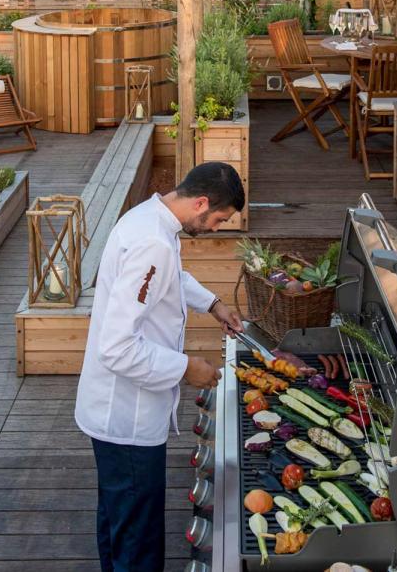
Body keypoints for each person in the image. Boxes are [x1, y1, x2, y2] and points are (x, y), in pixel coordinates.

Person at [75, 161, 246, 572]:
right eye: (219, 220)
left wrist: (213, 303)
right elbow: (116, 347)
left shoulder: (150, 218)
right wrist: (187, 368)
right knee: (138, 536)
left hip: (114, 414)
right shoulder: (152, 241)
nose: (217, 228)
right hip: (126, 418)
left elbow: (171, 277)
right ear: (201, 202)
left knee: (118, 517)